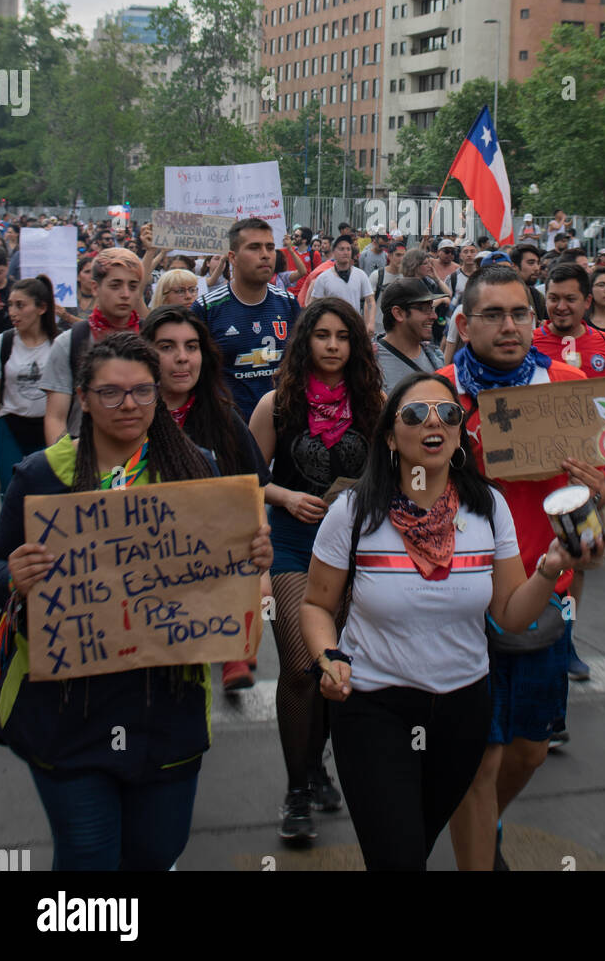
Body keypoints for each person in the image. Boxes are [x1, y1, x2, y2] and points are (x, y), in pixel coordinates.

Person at [0, 330, 273, 870]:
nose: (129, 405)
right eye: (111, 393)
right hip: (67, 709)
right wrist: (14, 578)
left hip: (166, 708)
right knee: (89, 855)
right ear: (84, 397)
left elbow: (225, 569)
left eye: (142, 392)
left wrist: (251, 552)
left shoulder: (198, 468)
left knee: (156, 850)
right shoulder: (42, 474)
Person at [299, 371, 597, 872]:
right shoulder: (352, 512)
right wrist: (328, 656)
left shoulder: (489, 509)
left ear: (459, 433)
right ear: (391, 437)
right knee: (397, 858)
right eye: (415, 414)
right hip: (374, 710)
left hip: (462, 712)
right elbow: (316, 606)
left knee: (415, 844)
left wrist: (549, 569)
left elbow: (508, 616)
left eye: (448, 413)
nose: (433, 422)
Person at [436, 264, 605, 870]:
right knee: (479, 758)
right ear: (463, 323)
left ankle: (486, 820)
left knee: (530, 750)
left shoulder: (564, 385)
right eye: (493, 314)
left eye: (520, 315)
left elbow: (590, 502)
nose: (509, 327)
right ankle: (479, 848)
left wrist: (597, 498)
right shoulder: (438, 396)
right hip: (460, 598)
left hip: (543, 590)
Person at [248, 299, 383, 844]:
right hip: (291, 544)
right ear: (303, 341)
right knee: (302, 666)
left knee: (335, 668)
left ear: (355, 345)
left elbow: (393, 475)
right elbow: (246, 485)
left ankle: (319, 765)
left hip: (353, 550)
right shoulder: (274, 404)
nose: (331, 345)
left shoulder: (374, 404)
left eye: (342, 336)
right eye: (321, 335)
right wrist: (284, 496)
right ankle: (297, 787)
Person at [141, 305, 273, 693]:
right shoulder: (129, 416)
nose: (182, 357)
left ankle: (235, 647)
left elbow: (252, 493)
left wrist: (261, 568)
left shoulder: (225, 419)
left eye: (192, 346)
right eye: (167, 346)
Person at [533, 261, 605, 647]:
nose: (560, 306)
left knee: (581, 560)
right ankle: (528, 624)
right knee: (537, 556)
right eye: (553, 298)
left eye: (570, 298)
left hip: (590, 474)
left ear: (587, 301)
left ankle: (566, 634)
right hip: (538, 471)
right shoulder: (529, 340)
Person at [192, 217, 300, 422]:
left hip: (281, 423)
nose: (266, 255)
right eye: (254, 247)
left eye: (270, 247)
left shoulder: (288, 304)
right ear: (232, 257)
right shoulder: (206, 308)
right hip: (228, 428)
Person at [42, 247, 146, 444]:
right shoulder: (69, 343)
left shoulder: (151, 338)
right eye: (115, 285)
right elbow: (55, 417)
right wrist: (66, 467)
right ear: (95, 287)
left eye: (133, 286)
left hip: (141, 459)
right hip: (84, 454)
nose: (125, 294)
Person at [0, 276, 57, 494]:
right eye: (10, 305)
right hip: (10, 429)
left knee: (46, 501)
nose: (13, 312)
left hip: (47, 431)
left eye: (20, 305)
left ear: (41, 308)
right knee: (12, 499)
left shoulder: (59, 343)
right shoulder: (2, 343)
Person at [375, 279, 443, 394]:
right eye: (424, 309)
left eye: (432, 308)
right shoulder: (370, 364)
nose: (434, 316)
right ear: (398, 313)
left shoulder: (436, 356)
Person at [307, 235, 375, 336]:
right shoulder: (323, 278)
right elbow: (312, 305)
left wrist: (370, 323)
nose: (346, 252)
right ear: (334, 252)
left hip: (354, 329)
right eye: (341, 249)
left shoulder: (360, 275)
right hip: (332, 330)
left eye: (348, 249)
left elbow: (370, 301)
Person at [367, 240, 406, 333]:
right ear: (389, 256)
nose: (401, 258)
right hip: (377, 328)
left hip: (398, 329)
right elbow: (368, 302)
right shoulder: (377, 275)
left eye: (404, 255)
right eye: (398, 255)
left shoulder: (406, 277)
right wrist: (368, 323)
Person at [57, 254, 97, 328]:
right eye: (87, 272)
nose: (92, 276)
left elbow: (95, 326)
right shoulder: (67, 296)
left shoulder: (104, 298)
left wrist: (67, 316)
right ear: (78, 277)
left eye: (94, 272)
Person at [510, 243, 547, 321]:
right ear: (514, 266)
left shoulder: (537, 296)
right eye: (531, 263)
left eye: (538, 263)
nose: (537, 268)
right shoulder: (503, 295)